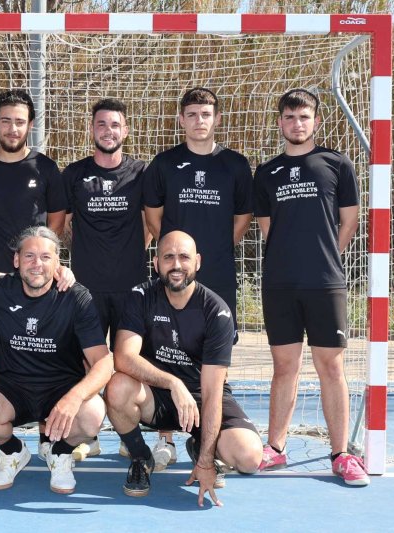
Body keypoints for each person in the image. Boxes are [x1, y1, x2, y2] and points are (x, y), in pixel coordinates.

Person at [254, 89, 369, 486]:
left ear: (316, 121)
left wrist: (325, 258)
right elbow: (269, 229)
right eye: (289, 117)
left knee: (331, 367)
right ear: (280, 122)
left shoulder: (337, 164)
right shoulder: (266, 172)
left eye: (304, 117)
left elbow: (349, 221)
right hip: (280, 284)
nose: (297, 123)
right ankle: (276, 447)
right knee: (284, 367)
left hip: (325, 284)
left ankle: (341, 454)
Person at [105, 231, 262, 506]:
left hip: (201, 397)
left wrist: (205, 462)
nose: (176, 265)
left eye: (184, 257)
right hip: (158, 395)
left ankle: (200, 446)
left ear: (197, 262)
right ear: (156, 264)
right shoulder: (141, 296)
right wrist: (173, 383)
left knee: (249, 458)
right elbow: (123, 357)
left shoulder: (216, 311)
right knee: (117, 387)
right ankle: (141, 457)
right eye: (168, 257)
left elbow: (212, 392)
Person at [141, 87, 254, 468]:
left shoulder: (235, 165)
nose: (199, 121)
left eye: (206, 114)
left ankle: (206, 435)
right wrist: (175, 258)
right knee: (164, 349)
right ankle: (165, 438)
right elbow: (153, 217)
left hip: (216, 274)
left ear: (217, 119)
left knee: (215, 356)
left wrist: (212, 254)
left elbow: (242, 219)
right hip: (174, 275)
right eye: (191, 114)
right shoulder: (165, 163)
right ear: (181, 119)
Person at [0, 89, 67, 466]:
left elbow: (56, 221)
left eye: (19, 121)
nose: (12, 128)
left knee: (46, 361)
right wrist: (1, 262)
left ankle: (49, 439)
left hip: (38, 286)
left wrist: (35, 263)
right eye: (5, 120)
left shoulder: (46, 169)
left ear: (30, 125)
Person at [0, 226, 112, 494]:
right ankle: (12, 452)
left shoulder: (76, 296)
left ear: (58, 262)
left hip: (60, 388)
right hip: (10, 387)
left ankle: (60, 452)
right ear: (16, 260)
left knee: (92, 413)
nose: (37, 264)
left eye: (46, 257)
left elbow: (104, 362)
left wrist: (74, 398)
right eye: (29, 256)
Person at [62, 97, 149, 462]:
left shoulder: (142, 173)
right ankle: (90, 433)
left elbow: (150, 223)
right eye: (101, 124)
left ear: (125, 130)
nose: (108, 130)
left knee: (128, 365)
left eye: (115, 124)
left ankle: (131, 435)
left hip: (131, 288)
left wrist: (131, 252)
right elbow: (62, 225)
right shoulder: (74, 174)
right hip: (87, 290)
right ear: (91, 129)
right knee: (89, 364)